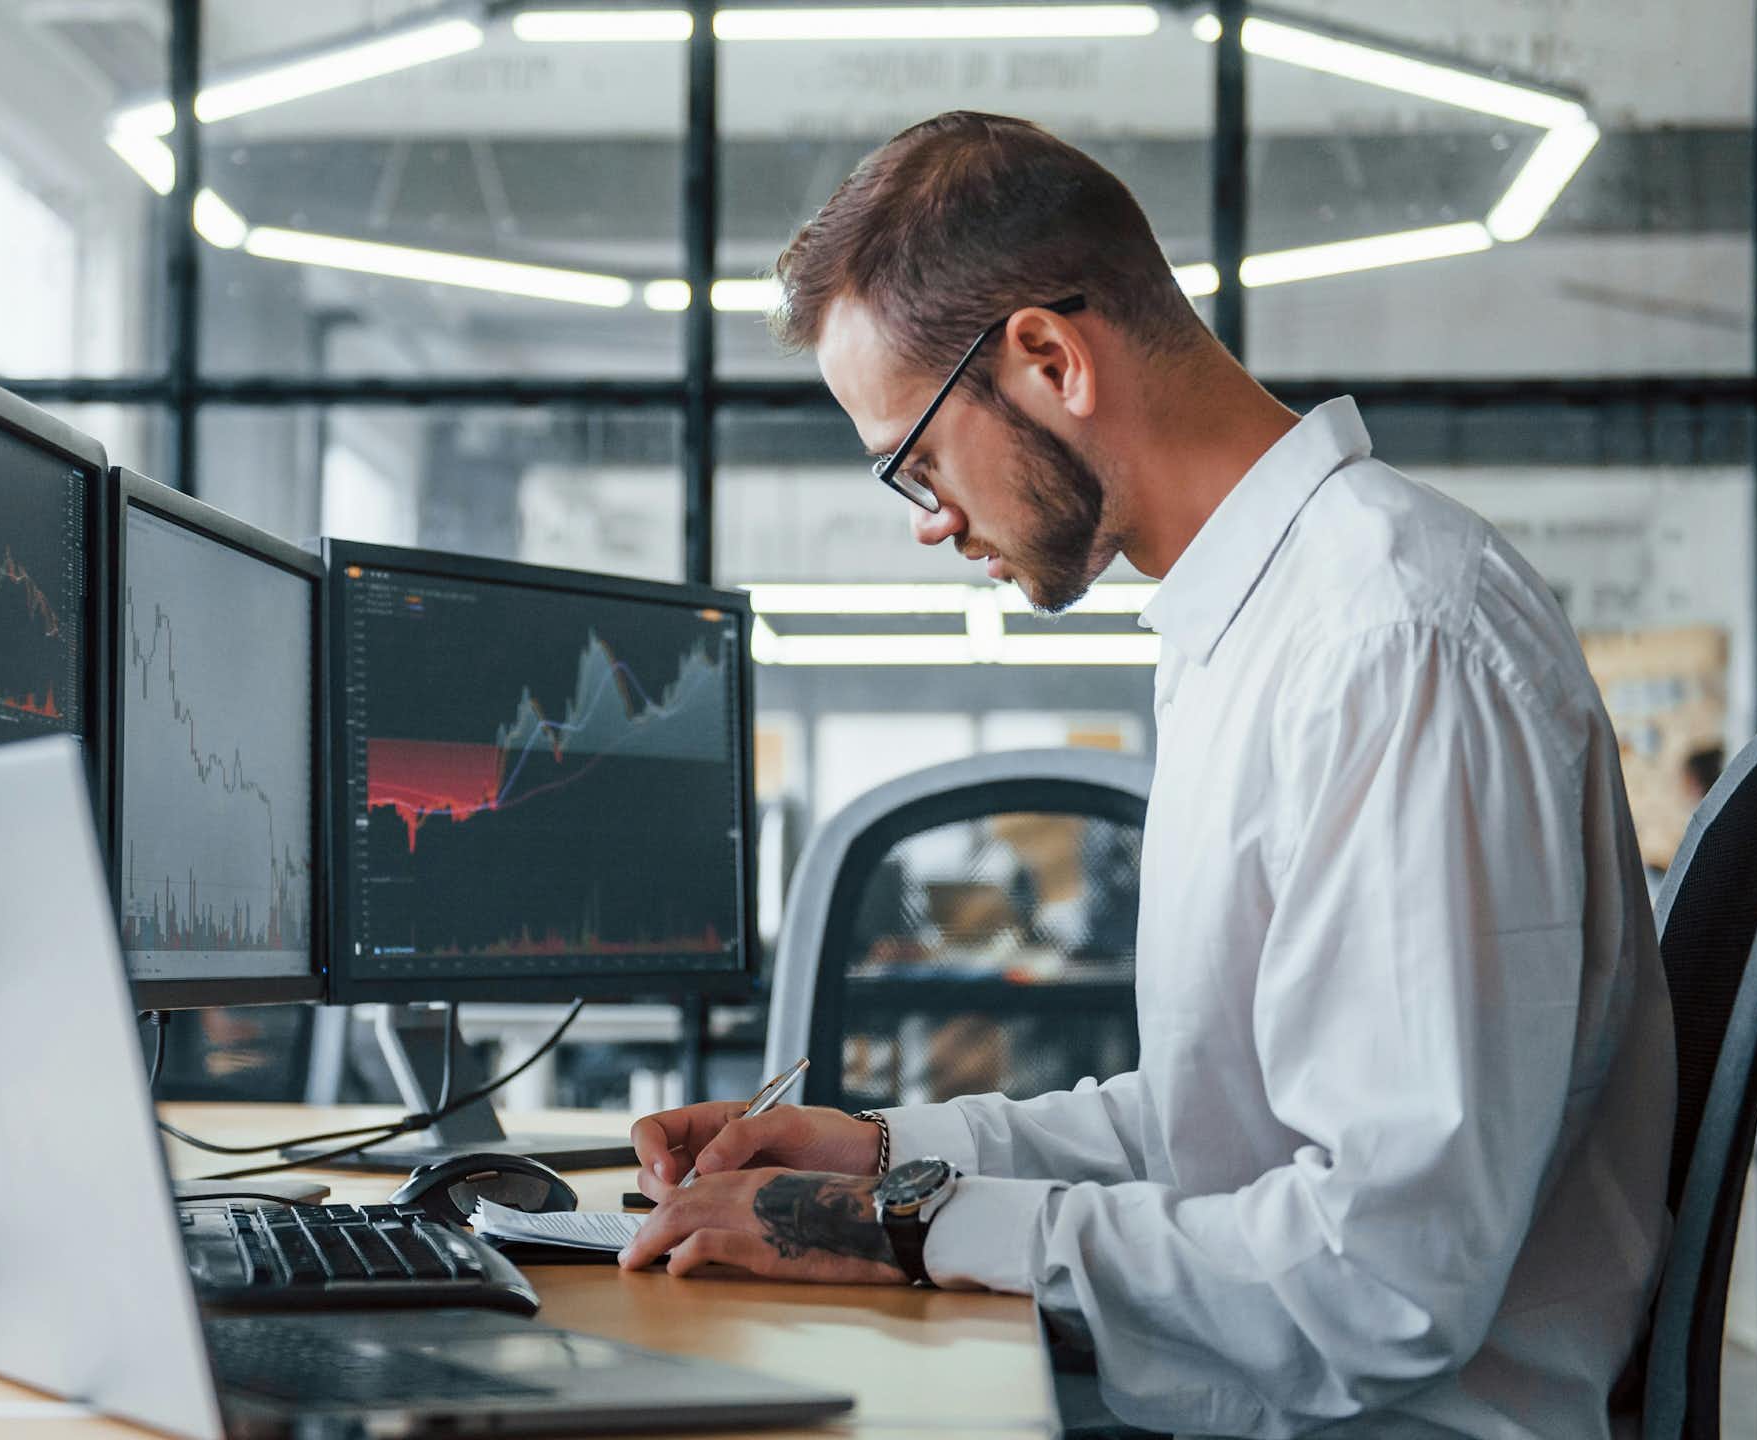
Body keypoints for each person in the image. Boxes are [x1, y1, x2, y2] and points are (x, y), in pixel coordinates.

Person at [620, 111, 1677, 1439]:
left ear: (1051, 357)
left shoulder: (1389, 639)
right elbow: (1213, 1131)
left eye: (919, 462)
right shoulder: (1258, 629)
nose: (933, 521)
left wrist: (904, 1228)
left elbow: (1384, 1276)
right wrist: (882, 1156)